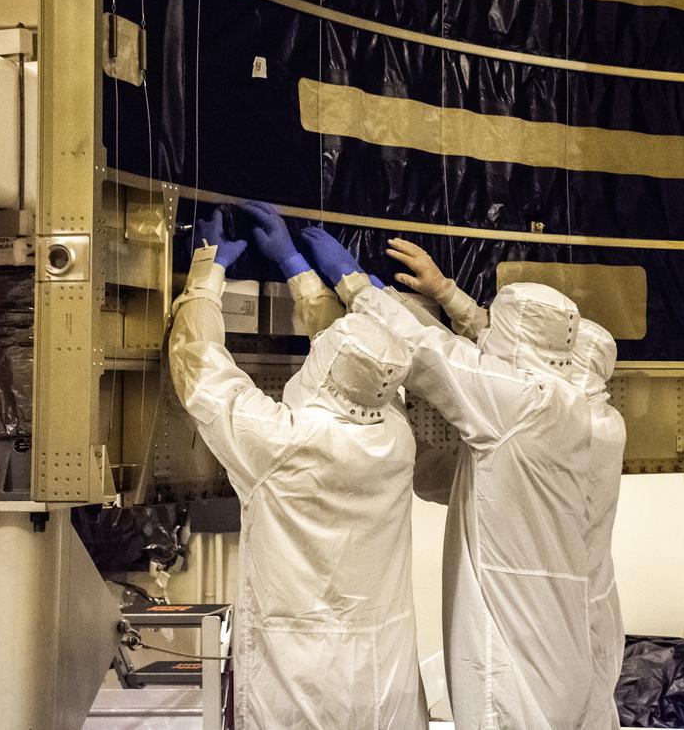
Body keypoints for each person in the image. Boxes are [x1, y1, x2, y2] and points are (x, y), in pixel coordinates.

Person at [301, 228, 595, 730]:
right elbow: (458, 481)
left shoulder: (521, 403)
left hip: (513, 672)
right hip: (556, 655)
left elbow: (431, 352)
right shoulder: (568, 401)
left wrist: (355, 286)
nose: (482, 336)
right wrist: (442, 293)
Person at [168, 207, 428, 730]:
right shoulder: (396, 436)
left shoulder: (280, 443)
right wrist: (298, 268)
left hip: (298, 686)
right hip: (387, 681)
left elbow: (200, 364)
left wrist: (206, 272)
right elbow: (356, 366)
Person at [385, 239, 627, 729]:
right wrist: (449, 296)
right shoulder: (597, 421)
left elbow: (454, 363)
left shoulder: (542, 413)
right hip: (576, 623)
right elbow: (507, 367)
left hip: (537, 633)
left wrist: (362, 291)